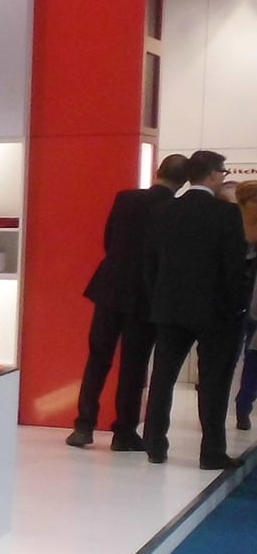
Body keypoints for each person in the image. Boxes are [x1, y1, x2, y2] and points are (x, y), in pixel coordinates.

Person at [67, 153, 188, 451]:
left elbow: (109, 239)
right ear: (183, 182)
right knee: (134, 365)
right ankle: (124, 431)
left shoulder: (126, 198)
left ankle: (83, 425)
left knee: (98, 357)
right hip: (146, 294)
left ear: (157, 171)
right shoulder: (174, 209)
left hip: (110, 286)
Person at [142, 150, 244, 469]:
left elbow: (150, 263)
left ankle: (154, 444)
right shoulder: (226, 214)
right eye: (223, 173)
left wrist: (158, 299)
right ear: (213, 174)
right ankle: (211, 451)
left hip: (170, 307)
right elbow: (233, 267)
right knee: (214, 382)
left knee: (162, 377)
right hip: (216, 312)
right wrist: (238, 305)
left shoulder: (163, 211)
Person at [233, 180, 257, 431]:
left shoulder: (231, 222)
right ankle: (243, 407)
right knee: (253, 358)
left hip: (236, 302)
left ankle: (242, 407)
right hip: (251, 304)